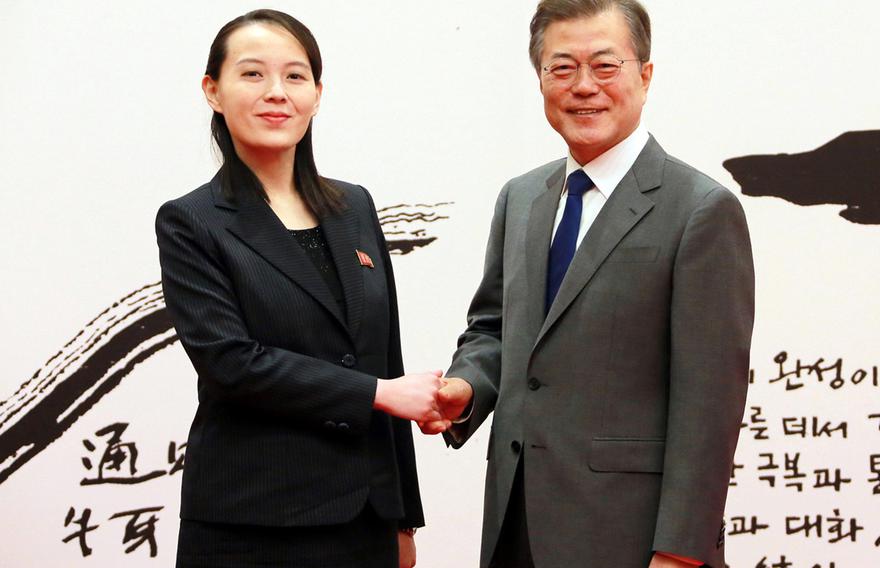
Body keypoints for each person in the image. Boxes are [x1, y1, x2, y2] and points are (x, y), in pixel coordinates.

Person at [421, 1, 755, 567]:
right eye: (562, 67)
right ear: (541, 79)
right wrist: (466, 389)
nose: (583, 87)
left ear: (644, 77)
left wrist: (679, 551)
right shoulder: (521, 197)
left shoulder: (700, 209)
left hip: (628, 534)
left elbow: (710, 404)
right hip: (515, 519)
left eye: (605, 66)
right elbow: (495, 328)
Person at [156, 9, 443, 568]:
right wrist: (378, 394)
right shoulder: (192, 220)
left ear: (316, 93)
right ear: (213, 91)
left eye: (294, 76)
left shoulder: (354, 205)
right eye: (252, 74)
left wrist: (402, 515)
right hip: (252, 524)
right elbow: (232, 363)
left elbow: (384, 357)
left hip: (365, 523)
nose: (276, 93)